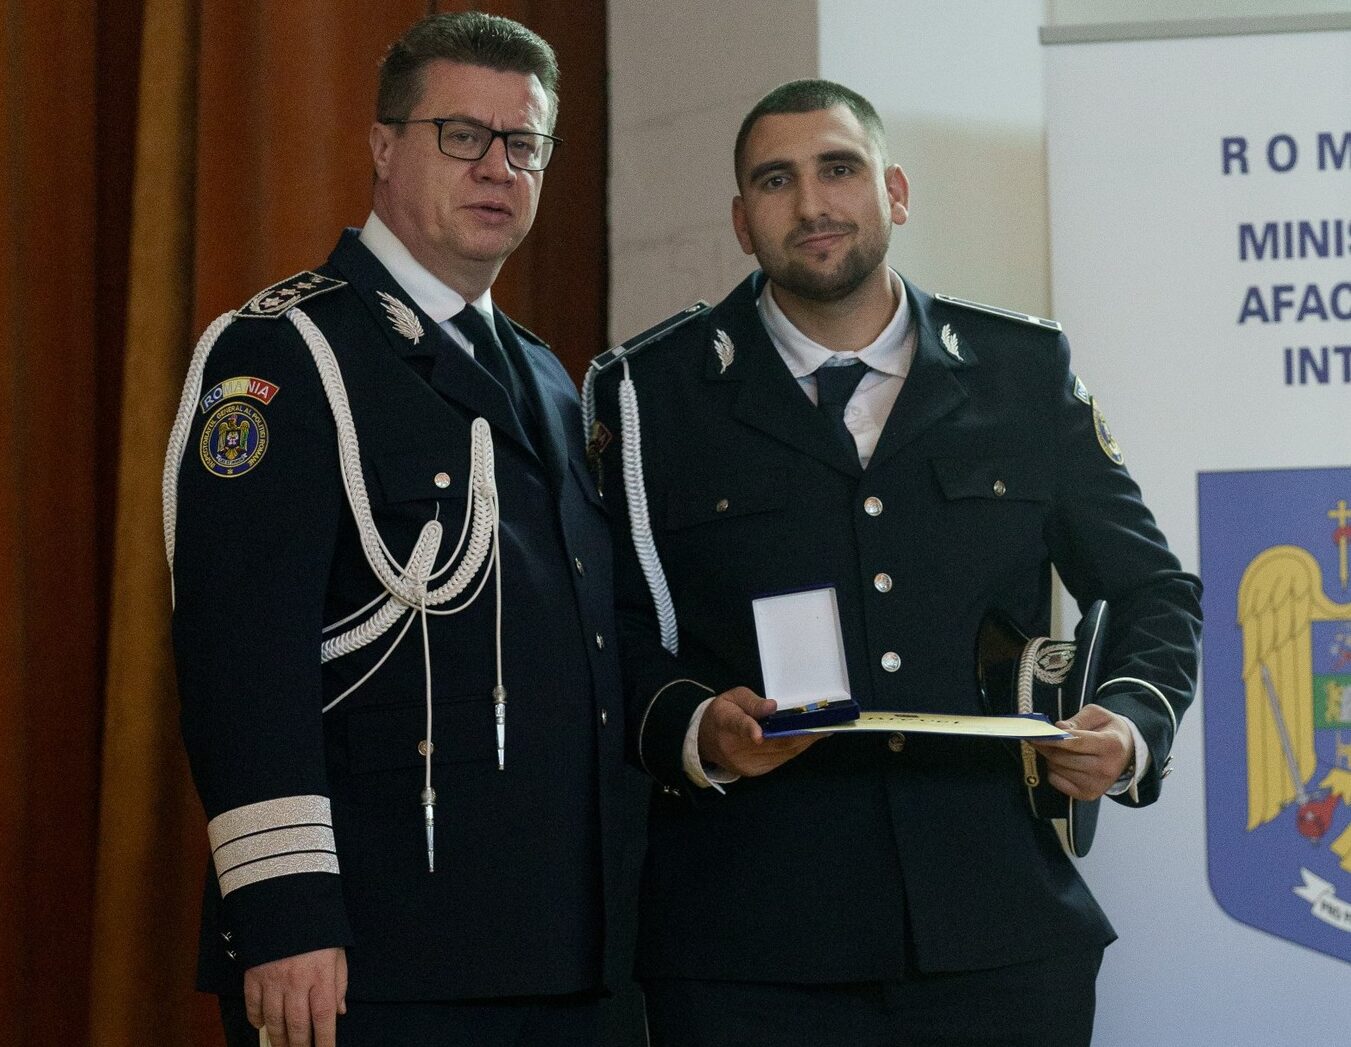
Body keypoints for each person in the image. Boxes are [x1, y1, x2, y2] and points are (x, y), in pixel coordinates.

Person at [590, 79, 1202, 1047]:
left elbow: (1152, 589)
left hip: (996, 933)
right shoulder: (651, 394)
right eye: (775, 181)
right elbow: (608, 631)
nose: (812, 202)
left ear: (896, 192)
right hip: (747, 945)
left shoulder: (1019, 370)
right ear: (741, 221)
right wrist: (698, 728)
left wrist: (1128, 726)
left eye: (839, 169)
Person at [165, 13, 626, 1047]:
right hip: (374, 953)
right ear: (383, 147)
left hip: (558, 948)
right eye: (462, 135)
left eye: (525, 143)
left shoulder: (548, 376)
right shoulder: (288, 351)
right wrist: (285, 914)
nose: (498, 167)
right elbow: (239, 658)